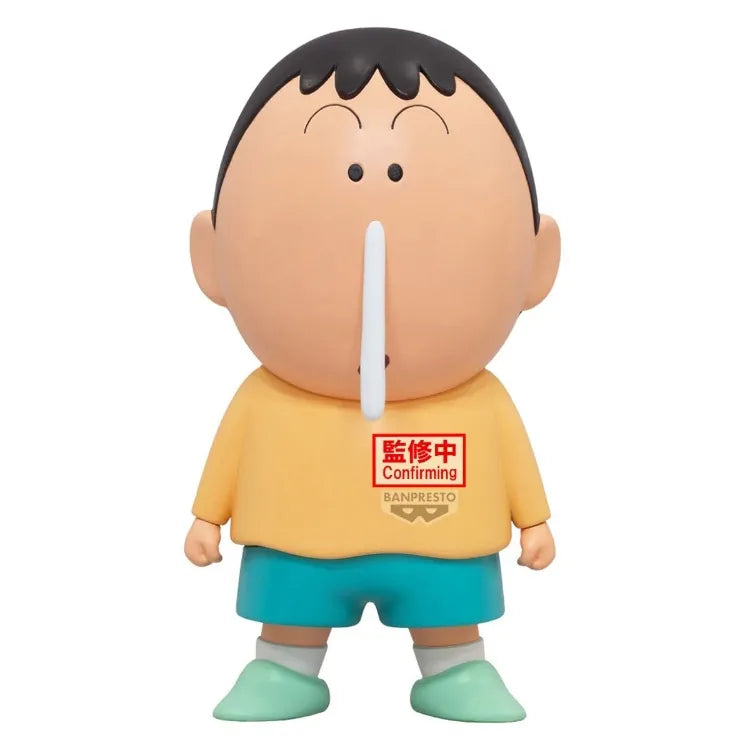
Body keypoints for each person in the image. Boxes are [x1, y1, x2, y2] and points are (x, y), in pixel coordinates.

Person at [184, 27, 561, 722]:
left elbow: (513, 460)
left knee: (449, 610)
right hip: (295, 544)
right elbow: (230, 458)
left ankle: (457, 668)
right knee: (291, 609)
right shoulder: (263, 400)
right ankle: (282, 668)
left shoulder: (481, 403)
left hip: (442, 546)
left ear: (538, 265)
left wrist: (533, 522)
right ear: (211, 260)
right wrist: (206, 517)